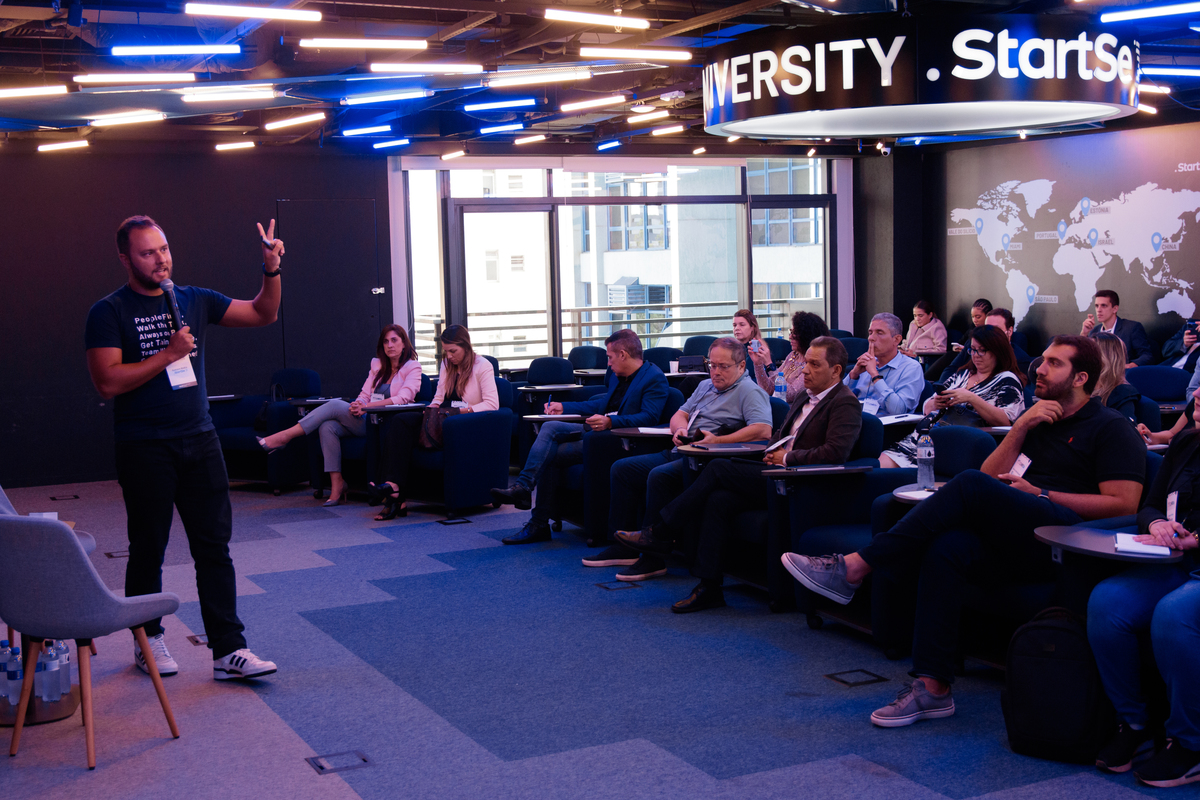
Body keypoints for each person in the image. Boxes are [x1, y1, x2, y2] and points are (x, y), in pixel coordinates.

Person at [782, 335, 1146, 727]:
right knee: (948, 546)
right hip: (1017, 532)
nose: (1039, 368)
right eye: (1041, 360)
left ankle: (858, 565)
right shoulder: (1040, 419)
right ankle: (932, 686)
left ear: (1081, 378)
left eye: (1054, 364)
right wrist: (1020, 427)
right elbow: (993, 477)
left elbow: (1124, 504)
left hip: (1066, 540)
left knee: (969, 483)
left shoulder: (1111, 428)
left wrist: (1042, 492)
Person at [84, 215, 279, 681]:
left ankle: (228, 650)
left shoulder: (194, 299)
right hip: (144, 446)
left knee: (214, 548)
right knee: (148, 548)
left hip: (200, 438)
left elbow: (262, 313)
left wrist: (271, 270)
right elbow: (107, 381)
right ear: (125, 259)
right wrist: (167, 356)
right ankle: (147, 639)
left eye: (164, 249)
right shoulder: (108, 312)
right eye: (148, 252)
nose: (160, 259)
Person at [616, 337, 861, 612]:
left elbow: (835, 452)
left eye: (814, 365)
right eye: (805, 363)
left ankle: (660, 531)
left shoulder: (844, 403)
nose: (804, 370)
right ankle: (709, 587)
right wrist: (771, 452)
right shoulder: (805, 396)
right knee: (718, 500)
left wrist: (787, 457)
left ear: (837, 371)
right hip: (774, 471)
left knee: (718, 468)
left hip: (798, 480)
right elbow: (779, 436)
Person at [586, 337, 773, 581]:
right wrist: (680, 429)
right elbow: (679, 414)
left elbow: (763, 430)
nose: (715, 372)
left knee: (659, 476)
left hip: (705, 460)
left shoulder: (750, 391)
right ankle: (625, 548)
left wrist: (717, 441)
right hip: (680, 449)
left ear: (740, 366)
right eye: (712, 365)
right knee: (623, 469)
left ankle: (653, 558)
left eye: (723, 366)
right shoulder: (706, 386)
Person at [1087, 407, 1200, 786]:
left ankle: (1190, 744)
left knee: (1174, 614)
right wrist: (1156, 523)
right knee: (1107, 602)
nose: (1197, 394)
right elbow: (1150, 504)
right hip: (1175, 560)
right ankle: (1135, 722)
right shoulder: (1187, 441)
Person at [491, 330, 668, 544]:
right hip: (597, 431)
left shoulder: (653, 378)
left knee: (549, 454)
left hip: (616, 441)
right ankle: (524, 488)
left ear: (623, 354)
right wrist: (564, 406)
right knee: (549, 427)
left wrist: (612, 422)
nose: (608, 364)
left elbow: (649, 417)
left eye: (610, 357)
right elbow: (599, 405)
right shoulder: (617, 377)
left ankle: (535, 518)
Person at [257, 325, 421, 506]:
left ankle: (285, 436)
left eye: (394, 340)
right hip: (366, 418)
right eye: (385, 341)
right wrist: (358, 404)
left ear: (404, 343)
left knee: (334, 405)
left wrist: (366, 407)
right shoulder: (377, 365)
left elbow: (404, 398)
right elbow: (364, 394)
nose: (389, 345)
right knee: (327, 427)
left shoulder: (412, 367)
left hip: (384, 424)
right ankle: (337, 484)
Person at [369, 324, 498, 520]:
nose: (450, 356)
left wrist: (460, 411)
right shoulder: (447, 364)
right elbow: (438, 398)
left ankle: (395, 497)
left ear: (466, 346)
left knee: (428, 424)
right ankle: (394, 489)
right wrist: (430, 411)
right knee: (400, 422)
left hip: (463, 422)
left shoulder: (482, 366)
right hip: (442, 417)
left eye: (453, 351)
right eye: (446, 351)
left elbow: (492, 404)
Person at [880, 325, 1024, 468]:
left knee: (887, 477)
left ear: (998, 352)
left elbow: (1007, 421)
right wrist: (936, 402)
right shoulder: (963, 374)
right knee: (878, 467)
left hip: (955, 447)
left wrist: (972, 398)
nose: (975, 355)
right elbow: (927, 408)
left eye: (982, 351)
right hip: (920, 440)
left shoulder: (1007, 380)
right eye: (973, 350)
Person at [843, 312, 924, 416]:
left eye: (879, 333)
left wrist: (875, 376)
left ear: (896, 339)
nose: (871, 338)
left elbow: (899, 410)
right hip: (855, 425)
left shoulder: (911, 368)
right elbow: (833, 402)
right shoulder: (864, 364)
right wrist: (853, 375)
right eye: (870, 332)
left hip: (887, 429)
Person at [936, 308, 1032, 382]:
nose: (988, 335)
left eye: (995, 330)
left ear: (1010, 331)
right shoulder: (972, 345)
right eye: (986, 328)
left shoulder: (1021, 360)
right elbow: (951, 370)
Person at [752, 311, 829, 403]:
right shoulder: (793, 355)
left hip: (793, 411)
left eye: (794, 333)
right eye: (790, 332)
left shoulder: (812, 364)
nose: (790, 337)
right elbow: (768, 389)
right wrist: (758, 364)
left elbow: (791, 395)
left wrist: (770, 365)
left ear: (806, 336)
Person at [1081, 290, 1153, 368]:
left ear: (1115, 309)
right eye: (1096, 306)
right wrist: (1084, 333)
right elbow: (1082, 357)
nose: (1099, 310)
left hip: (1123, 375)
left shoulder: (1131, 328)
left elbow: (1147, 355)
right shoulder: (1094, 331)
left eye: (1104, 305)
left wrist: (1129, 366)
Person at [925, 298, 992, 380]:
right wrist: (957, 347)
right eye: (973, 317)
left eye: (978, 317)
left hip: (970, 360)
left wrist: (968, 350)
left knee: (950, 356)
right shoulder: (971, 330)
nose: (974, 320)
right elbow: (960, 342)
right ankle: (927, 380)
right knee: (950, 356)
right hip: (961, 357)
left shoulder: (991, 335)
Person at [1093, 332, 1142, 420]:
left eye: (1089, 352)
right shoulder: (1082, 385)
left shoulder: (1122, 393)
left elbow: (1124, 430)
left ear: (1106, 358)